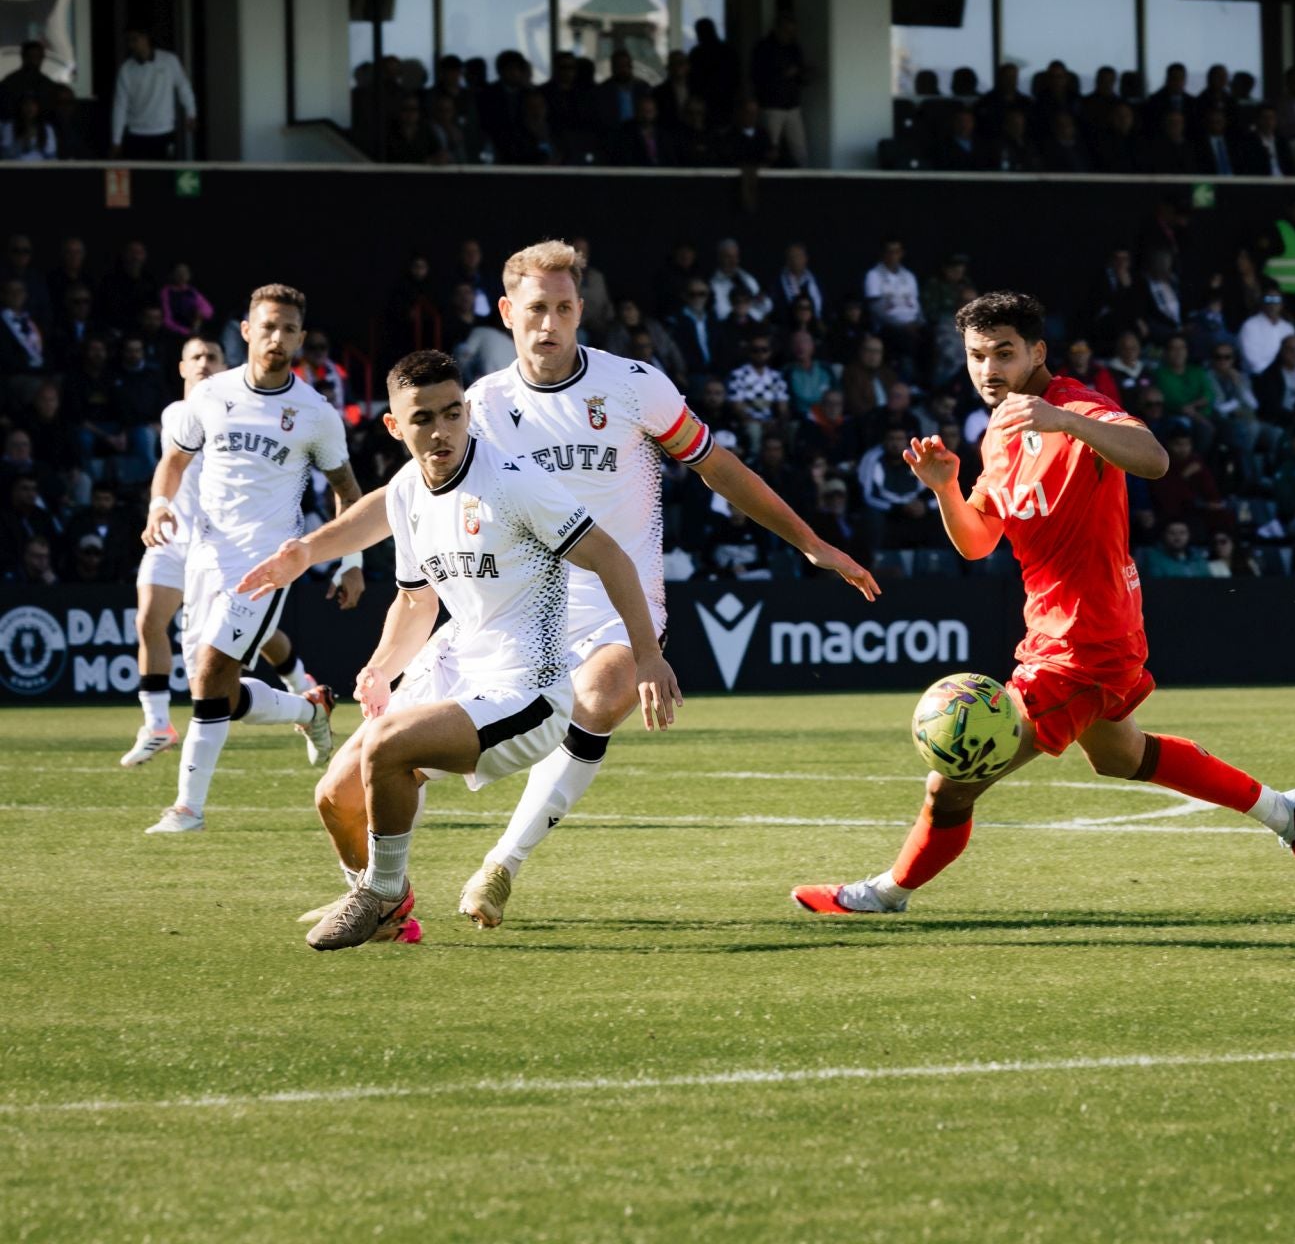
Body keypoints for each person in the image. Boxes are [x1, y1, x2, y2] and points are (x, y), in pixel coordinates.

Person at [310, 241, 876, 927]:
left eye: (563, 308)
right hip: (512, 614)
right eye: (535, 309)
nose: (549, 324)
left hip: (616, 597)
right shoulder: (477, 405)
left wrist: (810, 543)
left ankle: (502, 864)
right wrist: (308, 550)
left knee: (600, 696)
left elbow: (718, 467)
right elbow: (402, 495)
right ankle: (386, 903)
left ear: (581, 310)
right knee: (341, 793)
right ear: (507, 313)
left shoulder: (634, 386)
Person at [791, 291, 1295, 915]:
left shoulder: (1076, 405)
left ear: (1037, 352)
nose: (989, 368)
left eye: (1004, 353)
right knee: (1122, 756)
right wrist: (945, 489)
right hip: (1065, 630)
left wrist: (1068, 422)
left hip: (1084, 639)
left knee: (952, 783)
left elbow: (1155, 460)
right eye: (976, 355)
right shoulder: (1000, 431)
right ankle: (1286, 812)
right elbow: (978, 542)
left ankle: (887, 894)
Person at [240, 351, 669, 950]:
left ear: (467, 411)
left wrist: (647, 654)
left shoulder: (515, 483)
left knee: (388, 748)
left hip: (529, 689)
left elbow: (611, 557)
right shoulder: (406, 491)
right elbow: (416, 602)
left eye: (452, 413)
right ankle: (389, 914)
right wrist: (381, 667)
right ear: (394, 426)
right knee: (336, 798)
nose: (440, 431)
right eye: (422, 419)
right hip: (456, 663)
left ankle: (381, 893)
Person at [140, 284, 367, 834]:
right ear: (246, 331)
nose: (277, 338)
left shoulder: (315, 413)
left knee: (212, 672)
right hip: (205, 556)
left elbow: (348, 492)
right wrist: (159, 505)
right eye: (267, 326)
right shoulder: (210, 394)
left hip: (270, 560)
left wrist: (350, 561)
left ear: (301, 337)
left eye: (288, 329)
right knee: (214, 689)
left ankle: (188, 809)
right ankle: (309, 709)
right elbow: (174, 461)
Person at [120, 336, 321, 767]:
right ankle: (157, 724)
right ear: (181, 367)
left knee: (257, 636)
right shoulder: (174, 414)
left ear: (226, 366)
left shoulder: (239, 413)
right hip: (173, 537)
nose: (204, 363)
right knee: (148, 619)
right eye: (195, 357)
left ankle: (303, 689)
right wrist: (158, 507)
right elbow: (171, 467)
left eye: (212, 357)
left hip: (224, 545)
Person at [110, 28, 196, 160]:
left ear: (146, 38)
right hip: (136, 133)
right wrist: (116, 140)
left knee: (164, 171)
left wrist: (191, 112)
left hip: (164, 131)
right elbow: (120, 105)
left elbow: (183, 86)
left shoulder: (169, 61)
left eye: (134, 40)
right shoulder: (126, 69)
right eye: (129, 41)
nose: (131, 45)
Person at [749, 12, 808, 166]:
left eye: (792, 31)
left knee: (799, 149)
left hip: (792, 104)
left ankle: (803, 176)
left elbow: (800, 71)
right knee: (770, 149)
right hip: (771, 105)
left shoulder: (794, 48)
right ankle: (768, 177)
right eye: (787, 31)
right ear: (777, 29)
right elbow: (757, 75)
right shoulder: (764, 48)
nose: (790, 35)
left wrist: (800, 74)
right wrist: (782, 74)